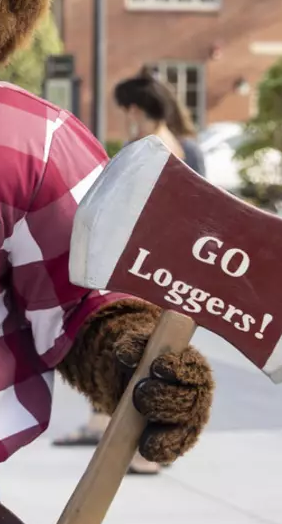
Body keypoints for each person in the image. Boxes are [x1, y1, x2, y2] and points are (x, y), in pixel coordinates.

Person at [51, 69, 207, 469]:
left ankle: (148, 451)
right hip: (160, 264)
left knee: (147, 354)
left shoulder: (154, 148)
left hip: (148, 266)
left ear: (135, 108)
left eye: (125, 110)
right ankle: (104, 422)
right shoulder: (179, 145)